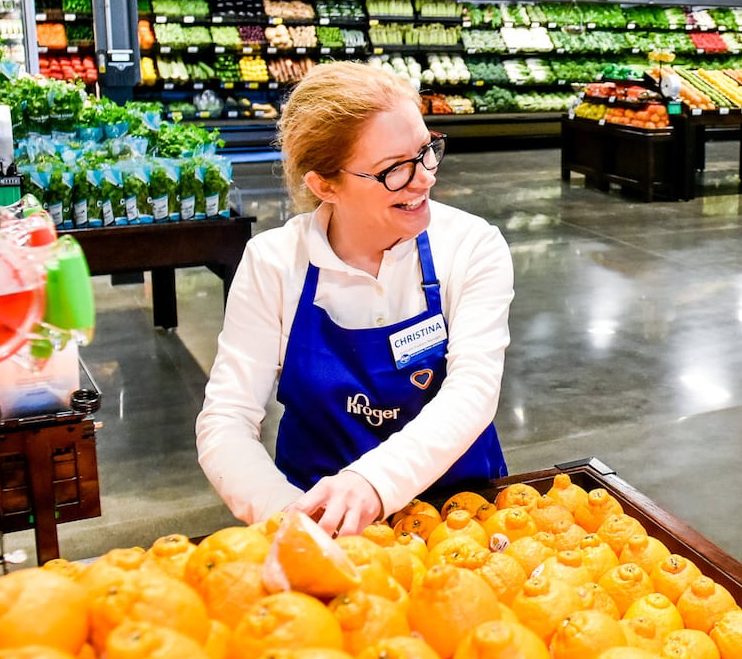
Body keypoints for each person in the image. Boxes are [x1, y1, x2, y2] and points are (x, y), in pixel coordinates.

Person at [196, 62, 513, 536]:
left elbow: (473, 392)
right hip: (321, 520)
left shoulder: (470, 246)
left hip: (459, 514)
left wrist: (372, 483)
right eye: (394, 170)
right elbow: (227, 419)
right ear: (325, 185)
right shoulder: (275, 263)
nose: (424, 178)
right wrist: (290, 517)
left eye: (426, 151)